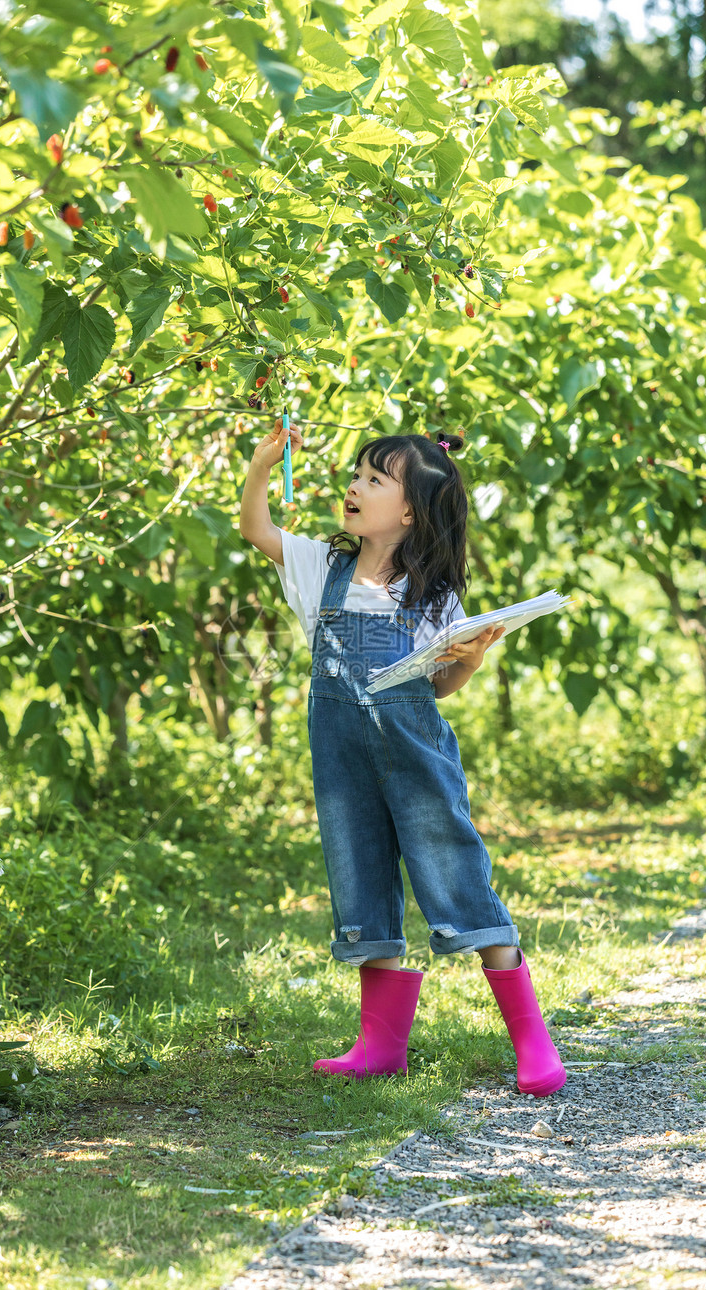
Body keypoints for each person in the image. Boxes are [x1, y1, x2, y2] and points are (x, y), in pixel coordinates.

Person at [239, 421, 566, 1097]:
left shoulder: (431, 595)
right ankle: (378, 1046)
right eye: (356, 475)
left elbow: (441, 685)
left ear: (410, 509)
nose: (354, 487)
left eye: (373, 479)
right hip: (342, 760)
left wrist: (469, 658)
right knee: (358, 876)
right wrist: (260, 467)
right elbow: (256, 529)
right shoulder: (319, 568)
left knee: (455, 873)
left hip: (415, 756)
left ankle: (532, 1041)